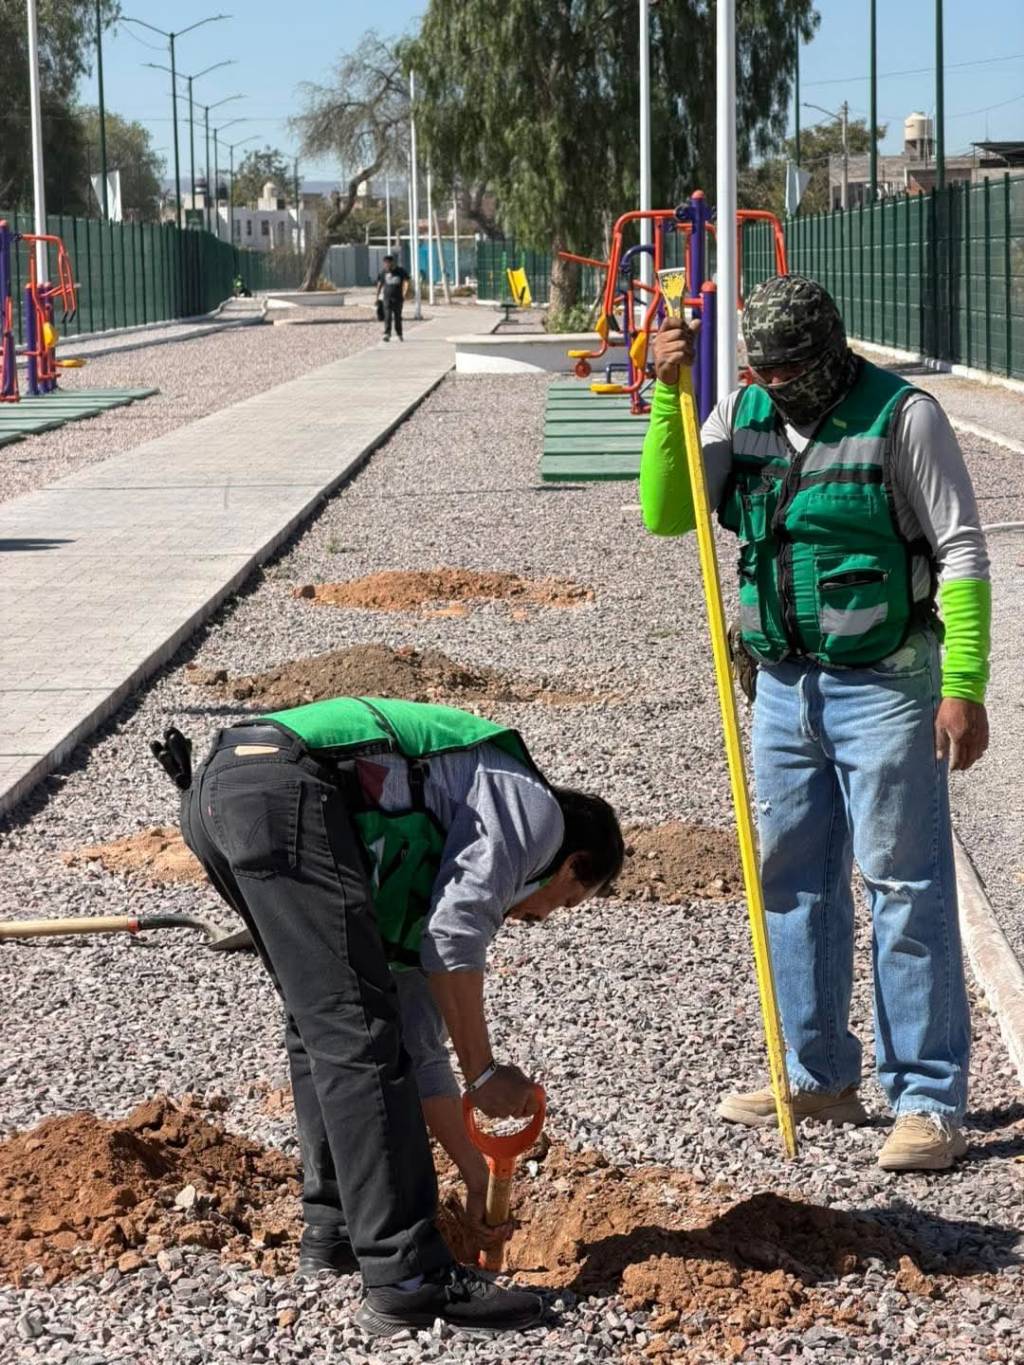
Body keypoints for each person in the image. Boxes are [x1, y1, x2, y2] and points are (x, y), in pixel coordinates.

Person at [641, 274, 990, 1172]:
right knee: (790, 878)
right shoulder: (738, 410)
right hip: (783, 688)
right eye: (765, 366)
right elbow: (668, 513)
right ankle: (816, 1072)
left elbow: (961, 548)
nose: (778, 382)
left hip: (889, 681)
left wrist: (965, 683)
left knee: (904, 883)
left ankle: (928, 1099)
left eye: (793, 366)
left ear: (832, 354)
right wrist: (665, 398)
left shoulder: (905, 418)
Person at [170, 695, 624, 1336]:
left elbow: (418, 1045)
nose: (542, 916)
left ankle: (335, 1237)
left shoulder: (418, 860)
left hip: (224, 792)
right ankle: (410, 1279)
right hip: (284, 788)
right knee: (356, 1036)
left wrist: (474, 1170)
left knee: (324, 1028)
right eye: (571, 900)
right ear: (574, 865)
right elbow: (455, 935)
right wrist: (487, 1073)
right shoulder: (537, 815)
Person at [375, 254, 410, 341]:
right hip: (386, 298)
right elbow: (379, 284)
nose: (386, 265)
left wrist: (405, 293)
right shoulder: (383, 272)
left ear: (392, 263)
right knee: (387, 316)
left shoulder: (400, 271)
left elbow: (406, 281)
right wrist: (376, 297)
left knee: (398, 317)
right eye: (385, 263)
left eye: (388, 263)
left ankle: (399, 334)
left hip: (398, 299)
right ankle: (387, 334)